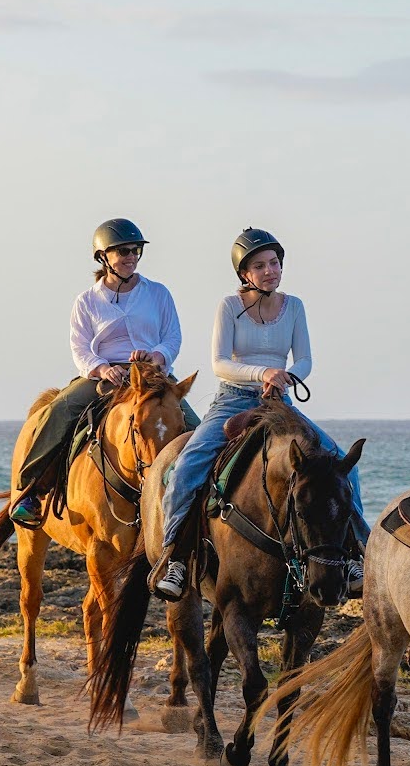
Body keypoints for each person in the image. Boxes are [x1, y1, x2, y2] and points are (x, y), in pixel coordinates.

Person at [150, 228, 367, 602]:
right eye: (260, 265)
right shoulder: (229, 307)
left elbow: (305, 359)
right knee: (186, 466)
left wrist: (285, 376)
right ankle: (175, 556)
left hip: (280, 403)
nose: (271, 271)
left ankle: (356, 555)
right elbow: (219, 363)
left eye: (275, 263)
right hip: (233, 400)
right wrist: (262, 373)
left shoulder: (294, 306)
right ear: (244, 273)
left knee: (342, 464)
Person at [8, 219, 188, 530]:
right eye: (122, 251)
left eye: (135, 250)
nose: (131, 256)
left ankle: (199, 498)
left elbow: (172, 336)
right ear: (103, 257)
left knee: (193, 426)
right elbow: (80, 349)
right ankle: (30, 492)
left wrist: (157, 356)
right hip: (103, 377)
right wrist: (104, 368)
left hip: (151, 376)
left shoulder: (158, 294)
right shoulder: (87, 301)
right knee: (57, 411)